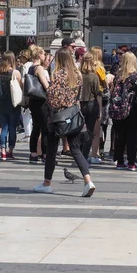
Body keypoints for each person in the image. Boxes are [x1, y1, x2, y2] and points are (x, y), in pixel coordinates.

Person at [33, 48, 96, 197]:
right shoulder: (77, 74)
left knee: (52, 150)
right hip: (73, 116)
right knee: (75, 149)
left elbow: (53, 97)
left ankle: (47, 183)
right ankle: (88, 181)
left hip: (58, 117)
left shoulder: (58, 75)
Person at [110, 51, 137, 171]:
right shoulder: (136, 77)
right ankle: (131, 162)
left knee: (120, 136)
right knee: (133, 136)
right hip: (134, 109)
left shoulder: (118, 77)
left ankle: (120, 161)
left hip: (118, 110)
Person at [0, 51, 23, 160]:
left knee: (3, 127)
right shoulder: (16, 73)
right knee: (12, 128)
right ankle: (10, 151)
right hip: (13, 103)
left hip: (1, 103)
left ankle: (2, 151)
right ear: (12, 60)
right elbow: (20, 88)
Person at [28, 45, 50, 164]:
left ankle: (33, 153)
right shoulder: (39, 68)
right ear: (38, 55)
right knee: (45, 128)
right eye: (43, 54)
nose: (44, 56)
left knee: (36, 127)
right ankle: (45, 154)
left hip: (33, 100)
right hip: (41, 101)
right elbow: (45, 85)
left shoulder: (31, 68)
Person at [79, 52, 103, 162]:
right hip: (91, 104)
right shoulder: (94, 76)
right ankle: (84, 156)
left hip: (80, 105)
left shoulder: (78, 75)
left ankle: (78, 155)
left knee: (80, 131)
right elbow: (98, 94)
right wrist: (100, 110)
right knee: (89, 132)